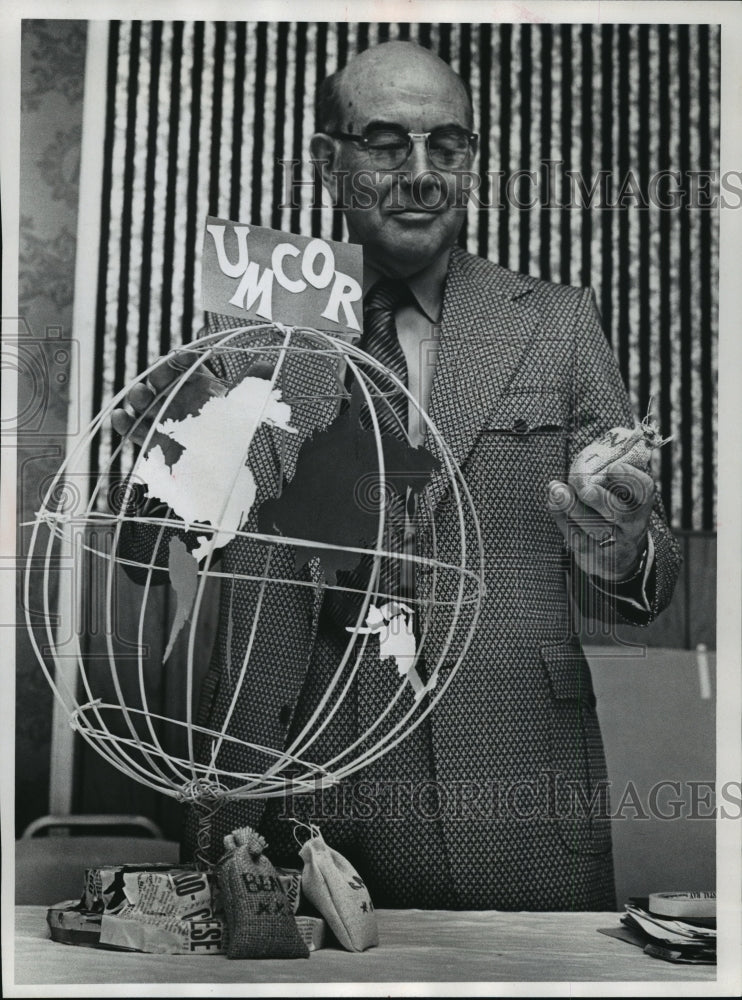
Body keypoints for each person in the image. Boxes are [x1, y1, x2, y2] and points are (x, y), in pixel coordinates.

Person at [113, 41, 680, 909]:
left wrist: (625, 547)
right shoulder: (253, 327)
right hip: (284, 778)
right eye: (385, 143)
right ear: (326, 160)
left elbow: (651, 583)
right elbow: (148, 555)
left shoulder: (557, 323)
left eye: (447, 145)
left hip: (508, 785)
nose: (421, 174)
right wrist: (155, 463)